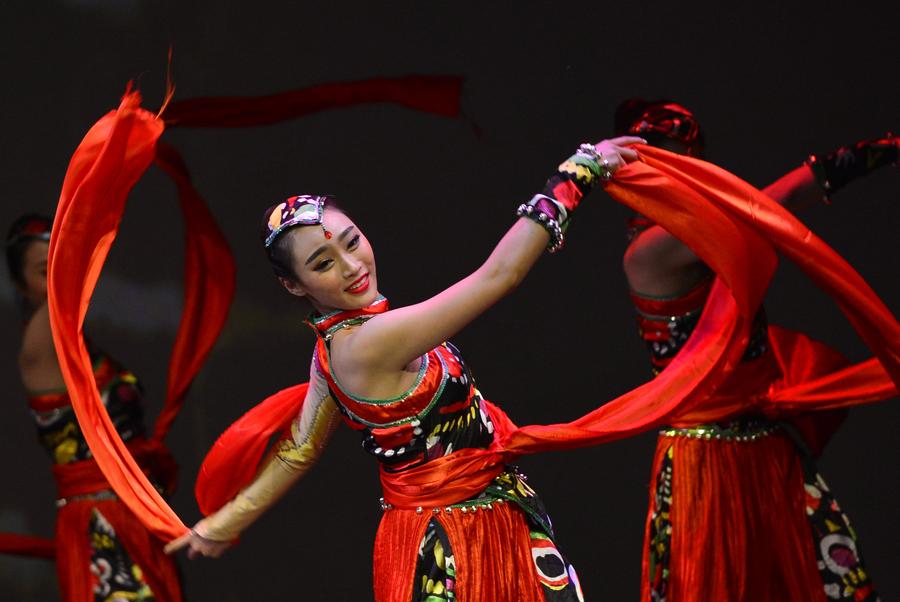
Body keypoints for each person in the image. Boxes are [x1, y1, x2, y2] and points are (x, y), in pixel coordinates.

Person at [165, 136, 644, 601]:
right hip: (459, 545)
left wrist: (225, 522)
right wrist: (577, 174)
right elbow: (501, 275)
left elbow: (300, 449)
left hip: (466, 525)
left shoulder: (333, 347)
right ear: (294, 286)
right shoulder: (366, 344)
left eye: (352, 241)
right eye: (323, 263)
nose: (351, 265)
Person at [616, 99, 898, 601]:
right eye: (668, 157)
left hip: (769, 449)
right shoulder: (650, 253)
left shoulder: (701, 228)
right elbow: (768, 206)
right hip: (705, 465)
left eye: (692, 156)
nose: (687, 170)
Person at [6, 214, 183, 602]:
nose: (59, 273)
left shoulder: (78, 343)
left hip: (134, 515)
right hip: (101, 524)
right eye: (43, 269)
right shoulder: (41, 341)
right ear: (21, 285)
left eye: (61, 261)